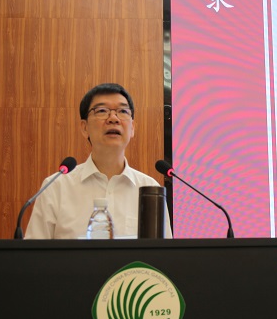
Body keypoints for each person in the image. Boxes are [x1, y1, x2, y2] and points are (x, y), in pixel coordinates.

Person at [25, 83, 172, 239]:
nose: (113, 119)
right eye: (102, 111)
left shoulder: (150, 190)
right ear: (84, 128)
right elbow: (34, 252)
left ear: (133, 128)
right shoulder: (56, 188)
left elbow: (164, 252)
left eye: (122, 111)